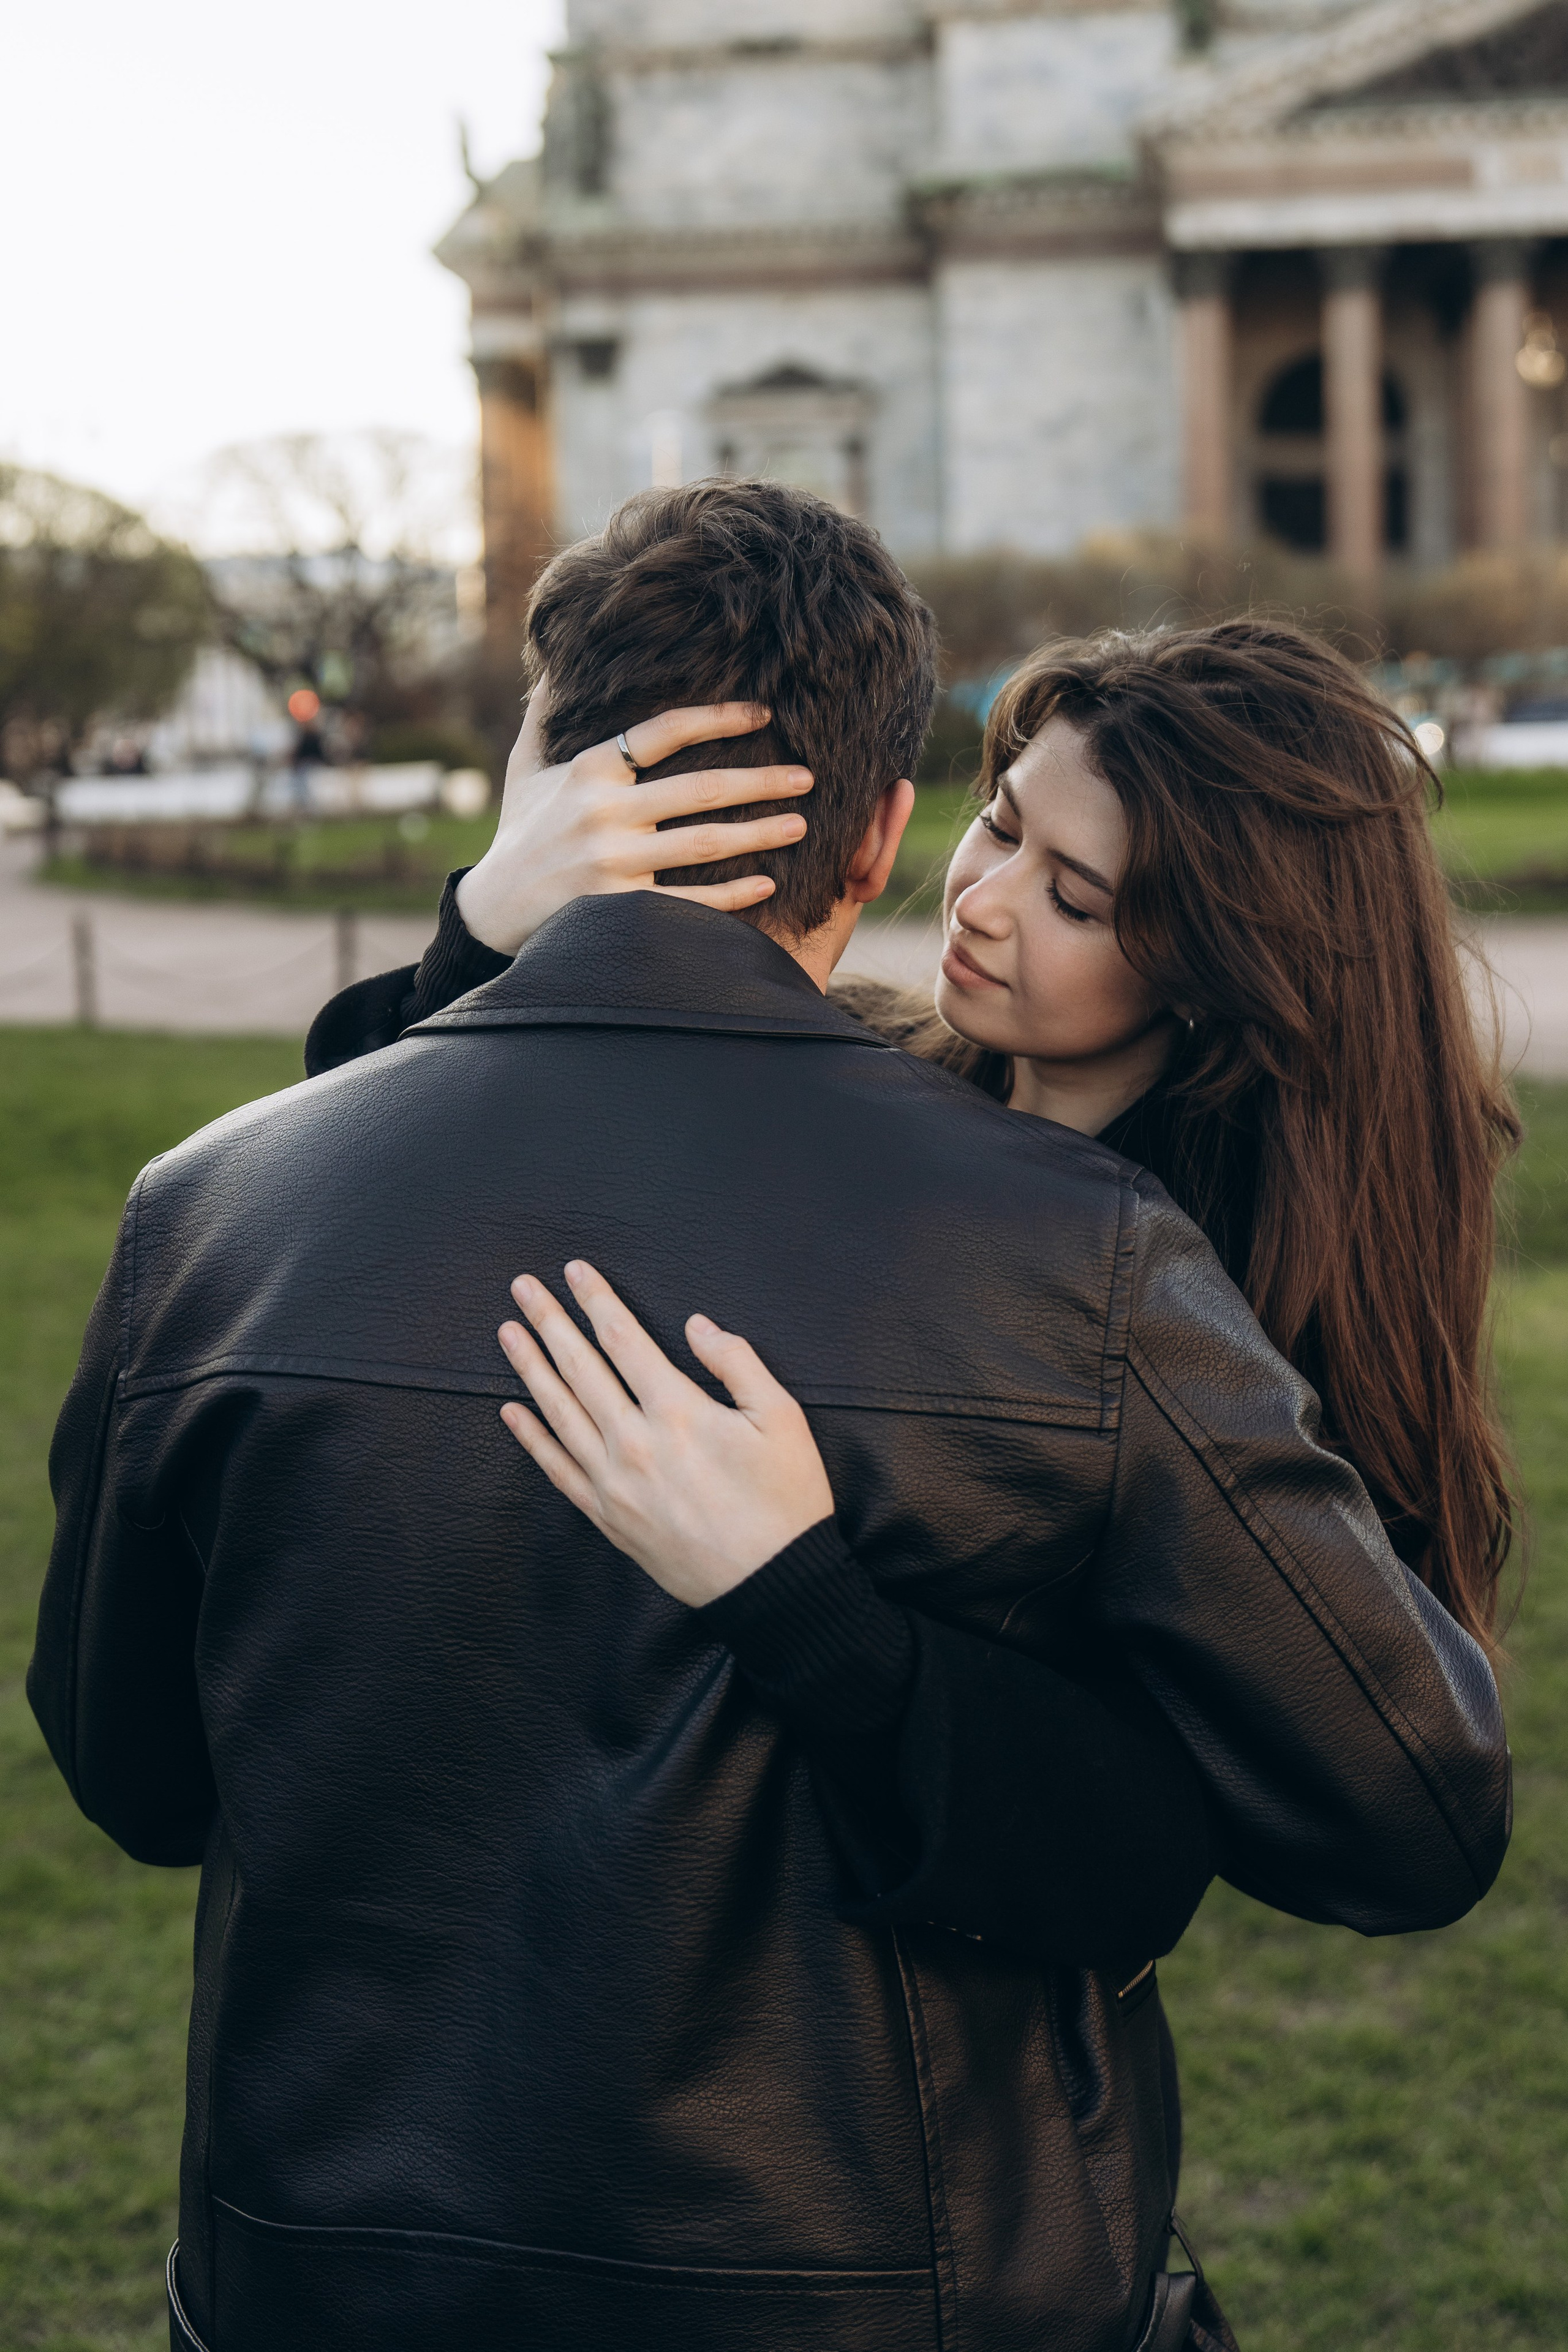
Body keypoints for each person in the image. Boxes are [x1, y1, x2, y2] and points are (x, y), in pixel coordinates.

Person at [32, 484, 1507, 2352]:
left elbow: (1247, 1831)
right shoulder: (935, 1133)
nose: (977, 903)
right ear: (901, 814)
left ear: (1220, 976)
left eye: (1074, 894)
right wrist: (490, 926)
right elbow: (410, 1171)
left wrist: (807, 1599)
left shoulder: (1140, 1277)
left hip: (690, 2226)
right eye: (992, 827)